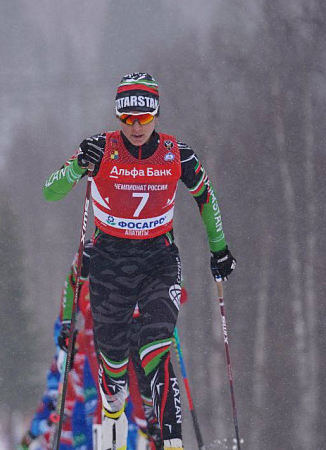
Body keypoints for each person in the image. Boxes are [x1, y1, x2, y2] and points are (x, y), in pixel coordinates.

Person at [43, 73, 236, 450]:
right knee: (113, 364)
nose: (135, 126)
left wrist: (220, 249)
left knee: (155, 346)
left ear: (156, 115)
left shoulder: (177, 154)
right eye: (127, 118)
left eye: (143, 118)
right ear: (118, 117)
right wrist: (78, 165)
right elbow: (52, 191)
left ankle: (172, 441)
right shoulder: (101, 148)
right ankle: (113, 404)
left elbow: (206, 197)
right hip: (110, 260)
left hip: (158, 259)